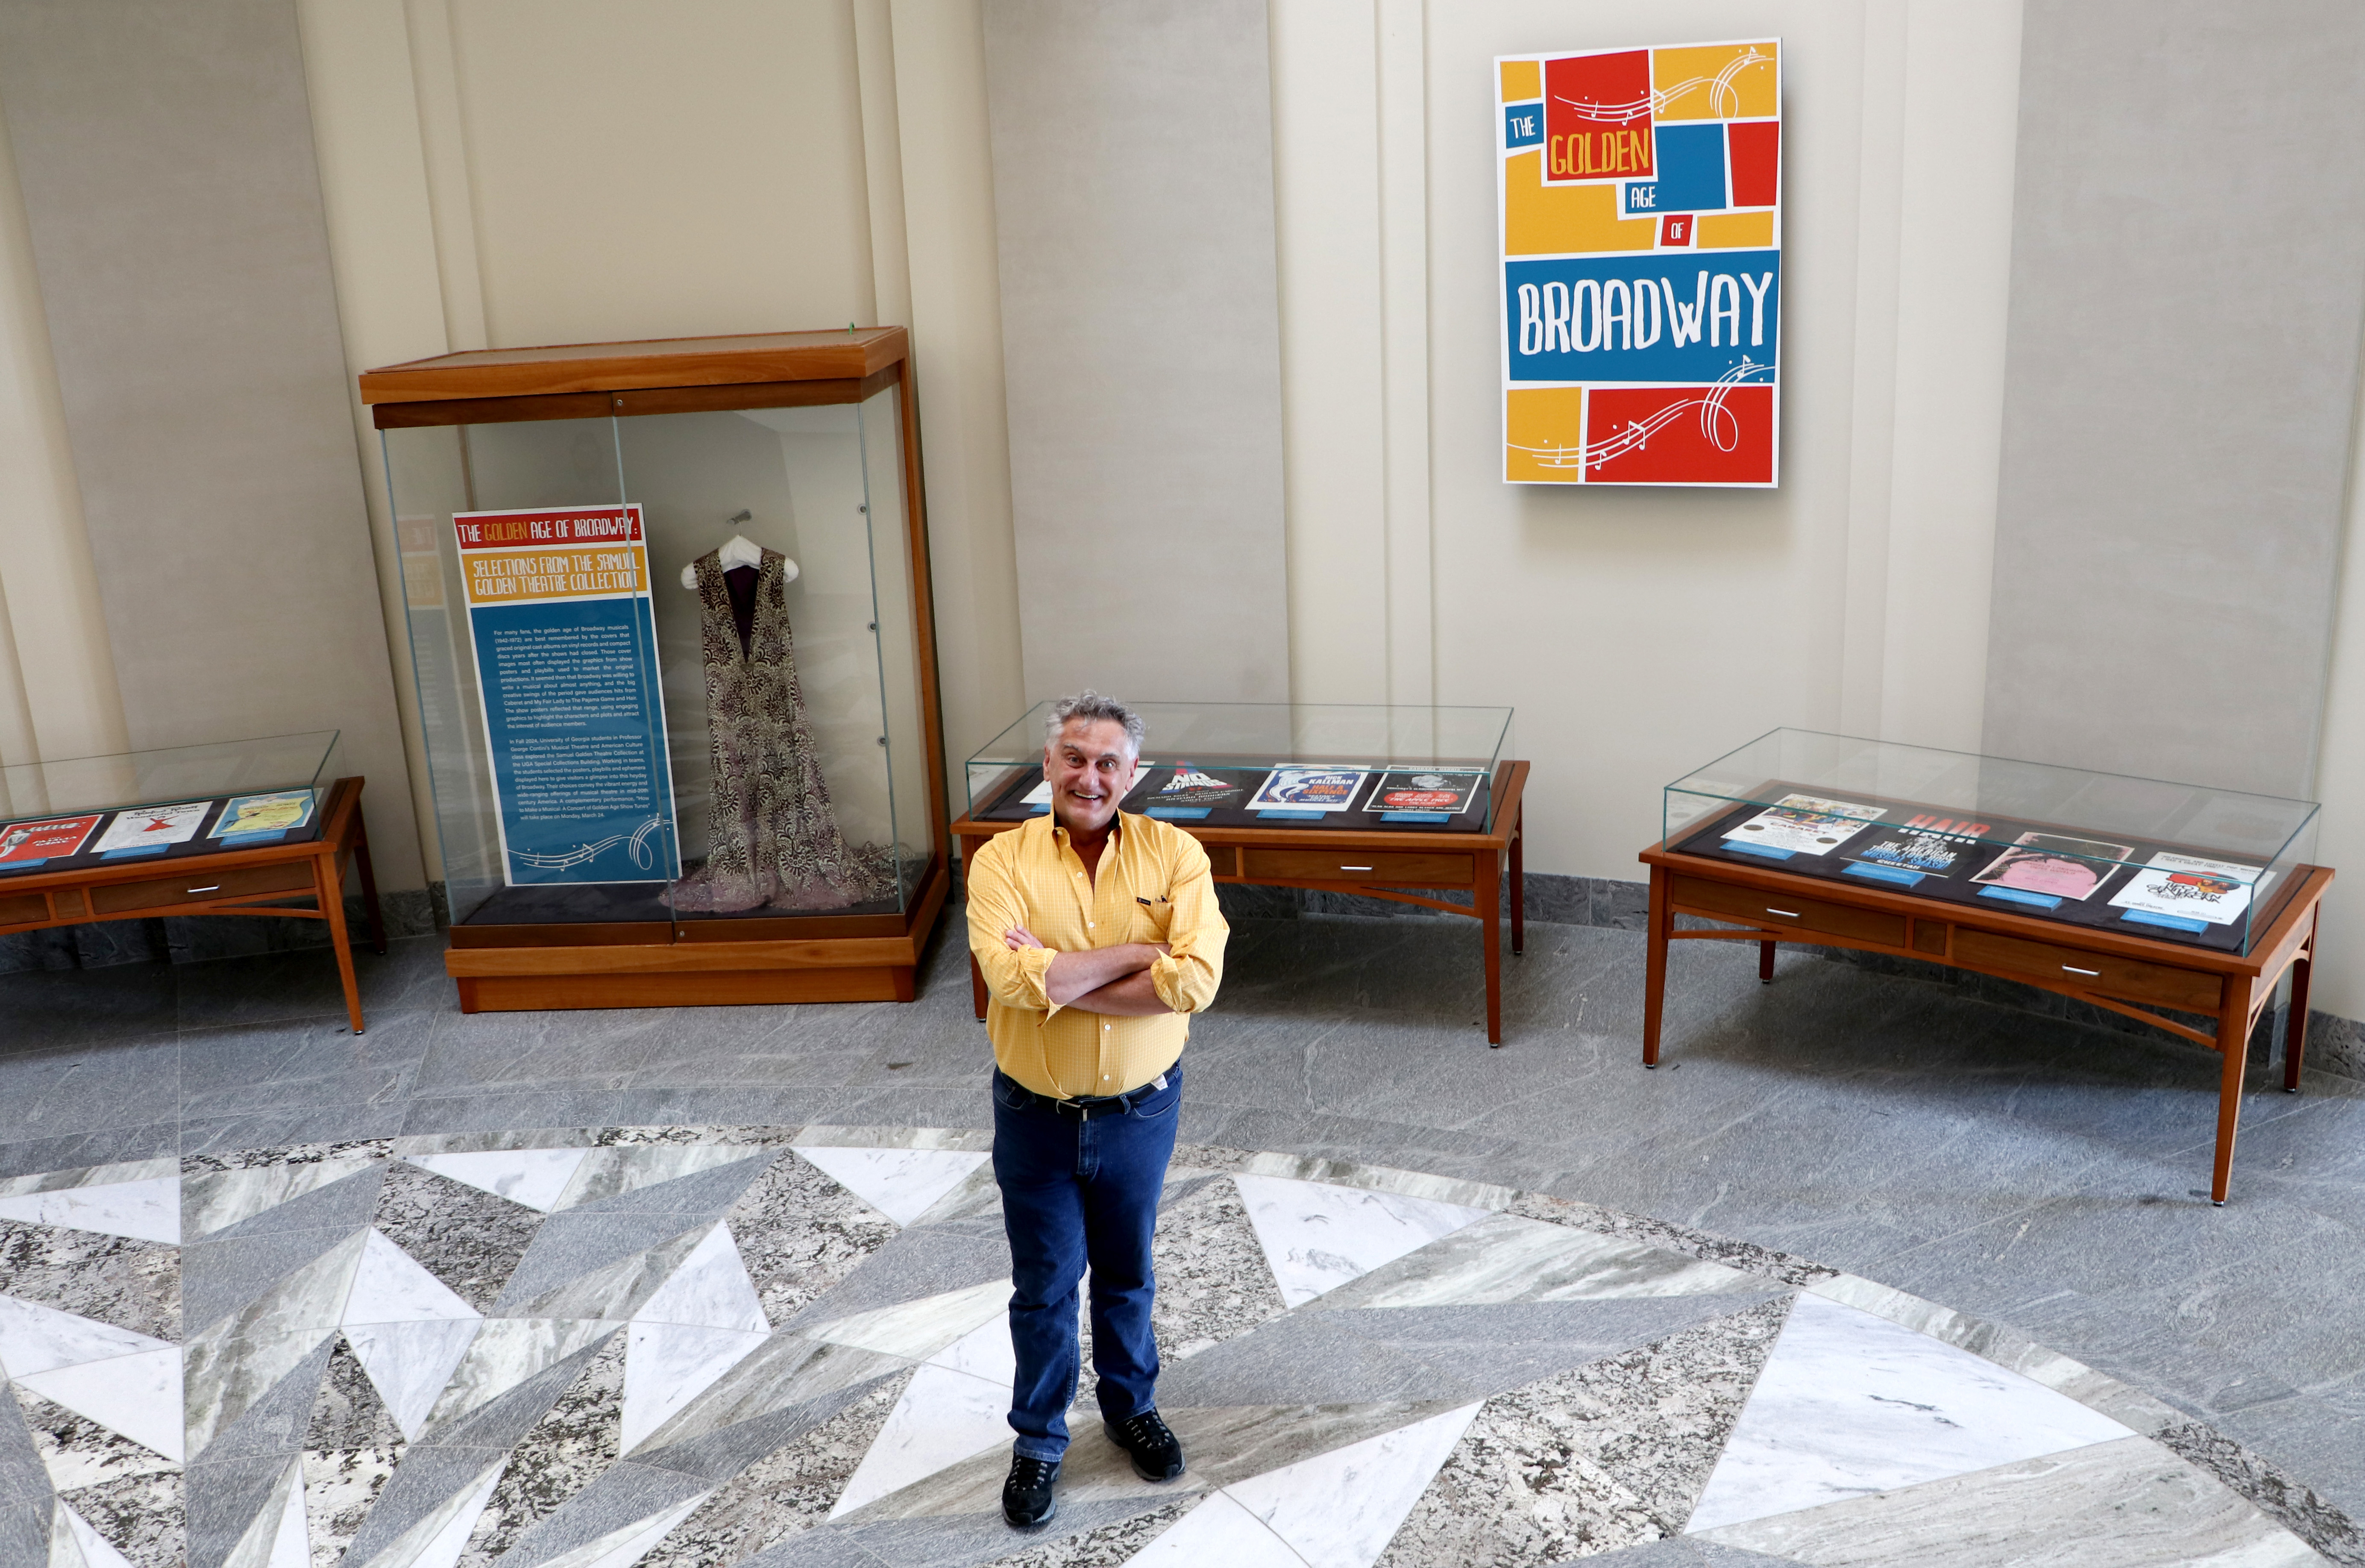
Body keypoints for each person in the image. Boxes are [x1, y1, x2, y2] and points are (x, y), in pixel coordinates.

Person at [965, 690, 1228, 1528]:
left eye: (1107, 761)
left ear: (1130, 773)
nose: (1089, 775)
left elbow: (1194, 981)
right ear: (1048, 765)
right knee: (1044, 1286)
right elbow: (1008, 981)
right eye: (1074, 757)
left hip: (1139, 1116)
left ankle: (1128, 1408)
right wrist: (1137, 953)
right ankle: (1038, 1442)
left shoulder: (1176, 853)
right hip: (1034, 1116)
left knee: (1126, 1274)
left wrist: (1059, 975)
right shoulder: (1000, 862)